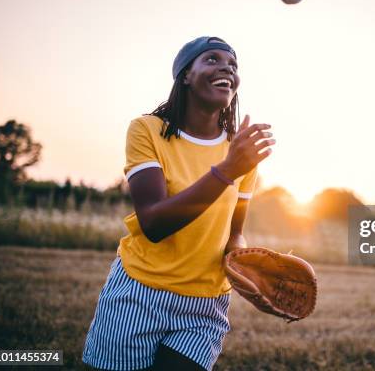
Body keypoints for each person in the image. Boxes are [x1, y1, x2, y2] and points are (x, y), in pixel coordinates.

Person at [82, 36, 275, 371]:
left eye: (232, 64)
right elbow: (154, 223)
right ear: (186, 75)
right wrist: (228, 169)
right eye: (212, 59)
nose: (226, 66)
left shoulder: (240, 151)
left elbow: (234, 232)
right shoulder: (147, 130)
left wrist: (244, 265)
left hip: (205, 304)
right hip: (139, 294)